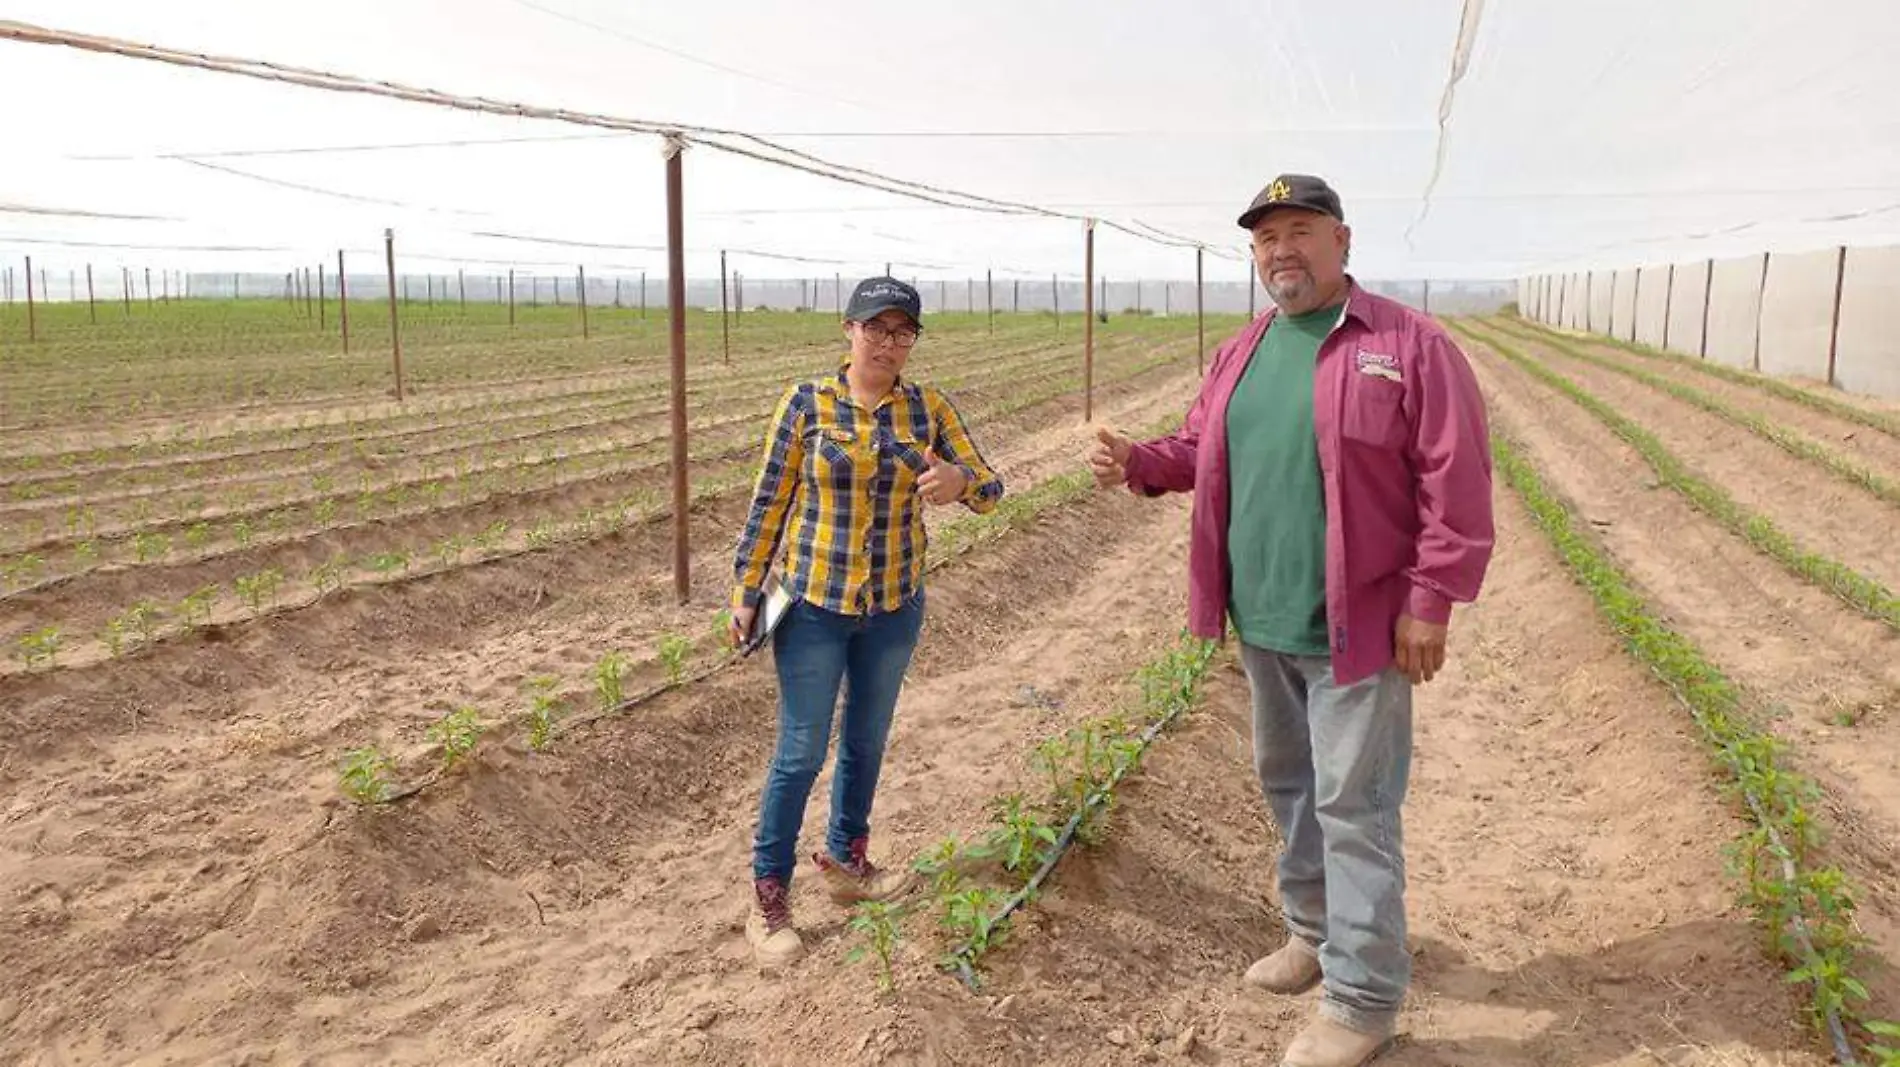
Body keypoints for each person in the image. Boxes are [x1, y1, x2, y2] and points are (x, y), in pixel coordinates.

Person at [1089, 174, 1494, 1067]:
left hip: (1361, 626)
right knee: (1291, 788)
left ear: (1342, 242)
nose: (1282, 250)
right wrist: (1139, 460)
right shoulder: (1244, 350)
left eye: (1300, 231)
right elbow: (1203, 449)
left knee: (1356, 805)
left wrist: (1433, 601)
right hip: (1262, 616)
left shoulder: (1408, 345)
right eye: (1266, 238)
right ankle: (1313, 933)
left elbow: (1454, 481)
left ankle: (1363, 996)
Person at [729, 275, 1004, 969]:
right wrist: (746, 587)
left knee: (867, 739)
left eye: (901, 331)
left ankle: (848, 861)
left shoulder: (927, 407)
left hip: (893, 605)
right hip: (814, 604)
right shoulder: (806, 403)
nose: (887, 342)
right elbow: (771, 499)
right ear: (847, 330)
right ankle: (769, 894)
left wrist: (960, 483)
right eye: (874, 328)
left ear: (912, 341)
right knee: (800, 749)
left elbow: (991, 488)